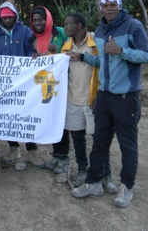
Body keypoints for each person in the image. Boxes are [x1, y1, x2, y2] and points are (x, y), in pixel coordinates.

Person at [69, 0, 148, 208]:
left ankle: (127, 187)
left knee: (127, 145)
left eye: (112, 5)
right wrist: (82, 57)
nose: (109, 9)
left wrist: (122, 50)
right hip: (105, 96)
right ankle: (94, 182)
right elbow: (101, 61)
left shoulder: (133, 26)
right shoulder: (100, 30)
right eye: (105, 5)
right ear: (100, 8)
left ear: (120, 6)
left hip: (127, 97)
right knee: (99, 142)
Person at [59, 13, 116, 193]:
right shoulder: (65, 46)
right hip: (72, 99)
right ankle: (83, 169)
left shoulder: (94, 42)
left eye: (68, 24)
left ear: (79, 26)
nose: (65, 27)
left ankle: (106, 174)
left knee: (99, 139)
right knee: (77, 138)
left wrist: (82, 56)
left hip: (92, 99)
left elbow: (104, 63)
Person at [0, 1, 45, 169]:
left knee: (27, 114)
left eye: (10, 16)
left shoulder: (26, 32)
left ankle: (32, 150)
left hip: (25, 82)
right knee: (8, 115)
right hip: (5, 82)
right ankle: (13, 148)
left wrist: (32, 57)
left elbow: (31, 50)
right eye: (4, 16)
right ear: (0, 17)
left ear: (15, 15)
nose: (7, 19)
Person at [29, 6, 69, 173]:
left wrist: (57, 53)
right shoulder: (32, 38)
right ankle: (55, 155)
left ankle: (62, 156)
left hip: (60, 84)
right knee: (43, 117)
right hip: (40, 85)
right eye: (35, 20)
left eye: (41, 19)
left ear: (48, 19)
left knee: (59, 120)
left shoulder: (60, 33)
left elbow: (70, 51)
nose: (38, 23)